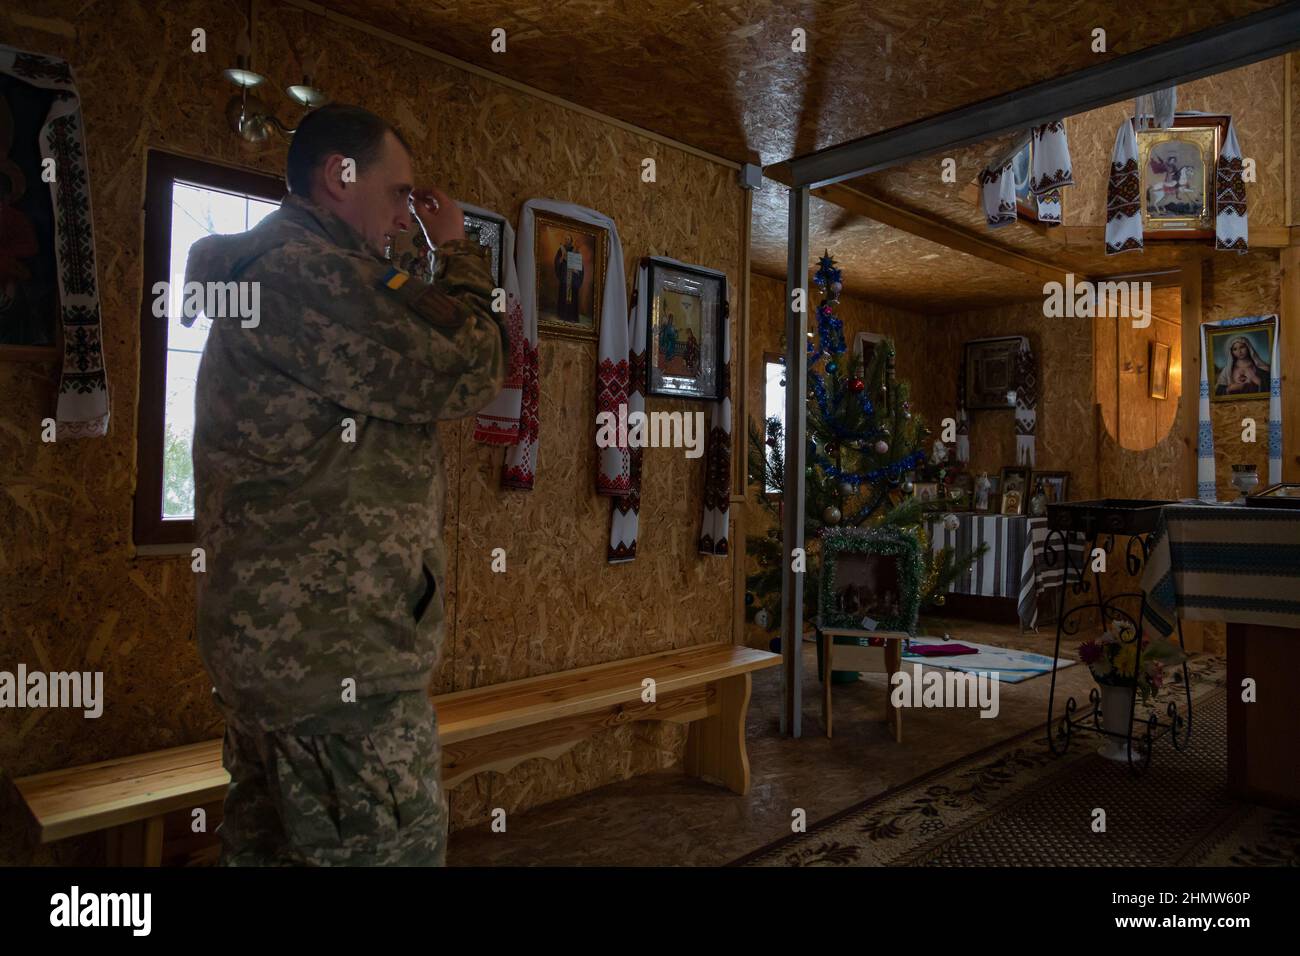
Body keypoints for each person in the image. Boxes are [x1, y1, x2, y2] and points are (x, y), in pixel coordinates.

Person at [183, 103, 506, 866]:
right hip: (338, 671)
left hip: (290, 661)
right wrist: (459, 253)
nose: (404, 218)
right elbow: (467, 364)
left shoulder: (292, 273)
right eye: (399, 195)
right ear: (340, 176)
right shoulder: (309, 275)